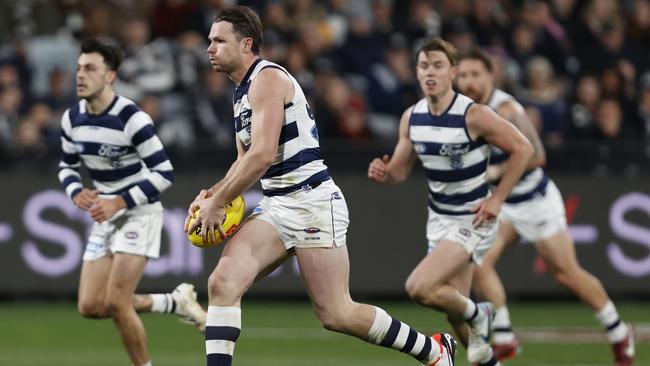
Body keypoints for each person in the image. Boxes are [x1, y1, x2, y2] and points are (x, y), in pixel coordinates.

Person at [184, 6, 457, 366]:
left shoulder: (266, 78)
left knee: (337, 313)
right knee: (223, 282)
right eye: (209, 41)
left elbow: (263, 154)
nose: (210, 47)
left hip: (312, 201)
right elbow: (243, 160)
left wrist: (220, 200)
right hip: (277, 205)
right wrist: (212, 195)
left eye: (219, 40)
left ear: (246, 43)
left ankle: (434, 350)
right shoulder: (240, 93)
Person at [457, 49, 635, 365]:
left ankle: (618, 330)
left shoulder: (507, 109)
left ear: (490, 76)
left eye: (475, 75)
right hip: (504, 205)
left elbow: (537, 155)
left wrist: (496, 172)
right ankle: (504, 335)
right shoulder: (466, 110)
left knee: (565, 273)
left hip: (534, 200)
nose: (469, 81)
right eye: (464, 75)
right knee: (477, 261)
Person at [367, 37, 534, 366]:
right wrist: (385, 173)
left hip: (472, 218)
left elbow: (524, 149)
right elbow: (400, 171)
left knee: (418, 287)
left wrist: (498, 199)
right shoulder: (411, 118)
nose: (431, 72)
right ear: (416, 72)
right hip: (439, 220)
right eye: (424, 65)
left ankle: (481, 312)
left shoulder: (474, 115)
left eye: (438, 65)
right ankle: (484, 344)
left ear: (453, 72)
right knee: (453, 313)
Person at [57, 38, 206, 366]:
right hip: (105, 216)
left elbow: (164, 172)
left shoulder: (131, 118)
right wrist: (75, 190)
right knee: (91, 306)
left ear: (110, 76)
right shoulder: (72, 119)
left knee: (117, 302)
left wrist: (120, 201)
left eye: (90, 68)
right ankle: (175, 302)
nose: (80, 75)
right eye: (79, 68)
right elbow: (67, 165)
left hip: (138, 212)